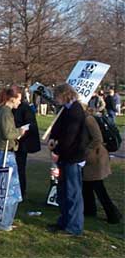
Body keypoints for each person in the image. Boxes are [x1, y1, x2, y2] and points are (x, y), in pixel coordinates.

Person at [48, 84, 86, 236]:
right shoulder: (66, 110)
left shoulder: (76, 111)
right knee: (63, 191)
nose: (55, 99)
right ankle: (64, 221)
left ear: (64, 95)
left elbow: (70, 136)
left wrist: (57, 151)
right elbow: (58, 127)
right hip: (65, 156)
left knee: (72, 193)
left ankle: (74, 227)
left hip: (72, 156)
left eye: (57, 96)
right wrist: (52, 138)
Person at [0, 86, 26, 231]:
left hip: (1, 152)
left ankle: (4, 221)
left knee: (5, 189)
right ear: (13, 98)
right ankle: (2, 223)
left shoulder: (1, 110)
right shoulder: (5, 112)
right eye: (19, 99)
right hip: (4, 153)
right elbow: (7, 133)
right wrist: (20, 132)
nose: (20, 102)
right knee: (9, 190)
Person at [82, 107, 122, 224]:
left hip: (95, 156)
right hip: (93, 156)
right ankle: (90, 210)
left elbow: (97, 138)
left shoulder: (88, 119)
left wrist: (88, 150)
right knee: (87, 185)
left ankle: (113, 214)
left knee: (98, 187)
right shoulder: (87, 118)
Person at [12, 89, 41, 199]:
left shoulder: (24, 108)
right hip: (17, 140)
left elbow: (29, 124)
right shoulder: (21, 108)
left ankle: (21, 190)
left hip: (21, 142)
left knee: (20, 167)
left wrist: (19, 134)